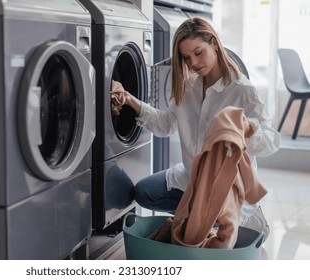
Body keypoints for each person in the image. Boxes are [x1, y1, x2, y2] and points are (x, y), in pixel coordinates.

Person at [110, 17, 280, 241]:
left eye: (199, 52)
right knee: (144, 193)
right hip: (192, 176)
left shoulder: (242, 90)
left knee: (210, 219)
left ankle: (243, 218)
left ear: (214, 44)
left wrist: (241, 132)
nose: (193, 63)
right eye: (186, 58)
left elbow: (271, 141)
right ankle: (198, 218)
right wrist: (131, 100)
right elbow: (163, 124)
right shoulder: (189, 87)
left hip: (226, 187)